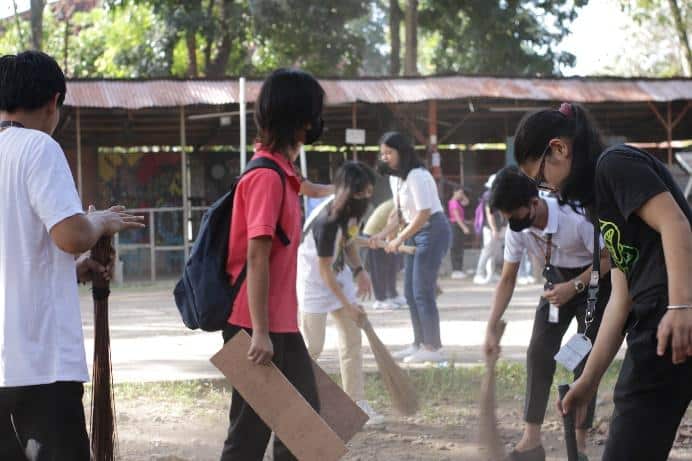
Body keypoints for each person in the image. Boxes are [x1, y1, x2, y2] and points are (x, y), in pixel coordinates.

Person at [514, 102, 692, 461]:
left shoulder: (615, 164)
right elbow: (620, 297)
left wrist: (681, 306)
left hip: (668, 316)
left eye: (541, 179)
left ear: (559, 149)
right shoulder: (599, 201)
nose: (546, 189)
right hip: (655, 317)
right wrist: (588, 380)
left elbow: (675, 224)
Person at [0, 51, 144, 461]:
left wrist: (75, 271)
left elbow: (16, 250)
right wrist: (98, 222)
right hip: (39, 365)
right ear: (53, 102)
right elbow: (71, 234)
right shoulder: (38, 148)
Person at [221, 68, 325, 460]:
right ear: (299, 119)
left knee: (304, 425)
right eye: (313, 114)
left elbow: (309, 188)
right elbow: (256, 255)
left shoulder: (284, 173)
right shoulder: (265, 176)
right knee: (249, 434)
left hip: (279, 323)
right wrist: (260, 333)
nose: (317, 123)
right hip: (255, 325)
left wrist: (347, 190)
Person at [484, 166, 612, 461]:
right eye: (507, 217)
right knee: (538, 352)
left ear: (534, 203)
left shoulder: (574, 217)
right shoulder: (519, 228)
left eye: (515, 214)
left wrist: (575, 286)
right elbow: (507, 279)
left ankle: (579, 446)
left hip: (592, 280)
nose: (513, 223)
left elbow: (607, 260)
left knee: (584, 358)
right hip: (555, 283)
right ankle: (531, 441)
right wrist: (492, 326)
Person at [297, 161, 384, 426]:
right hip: (314, 279)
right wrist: (347, 304)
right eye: (365, 191)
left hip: (340, 274)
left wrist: (360, 271)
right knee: (312, 345)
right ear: (351, 190)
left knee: (351, 341)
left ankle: (355, 405)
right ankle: (293, 395)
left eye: (370, 190)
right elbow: (323, 270)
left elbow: (349, 243)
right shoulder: (328, 220)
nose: (369, 196)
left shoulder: (354, 211)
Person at [371, 132, 451, 363]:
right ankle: (419, 343)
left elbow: (424, 213)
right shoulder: (395, 178)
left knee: (422, 291)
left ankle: (433, 347)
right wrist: (383, 235)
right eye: (382, 153)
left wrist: (398, 240)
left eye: (389, 153)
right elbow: (398, 216)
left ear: (402, 152)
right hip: (414, 232)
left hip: (432, 231)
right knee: (409, 292)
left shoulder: (417, 175)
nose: (384, 157)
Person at [363, 199, 406, 309]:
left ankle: (392, 294)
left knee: (392, 266)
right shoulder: (401, 202)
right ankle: (380, 299)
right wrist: (389, 241)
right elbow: (393, 221)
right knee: (380, 268)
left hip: (384, 232)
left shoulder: (405, 200)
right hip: (375, 233)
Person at [474, 174, 506, 284]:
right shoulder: (489, 195)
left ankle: (491, 274)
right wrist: (494, 229)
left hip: (499, 227)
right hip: (491, 228)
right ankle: (479, 273)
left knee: (495, 252)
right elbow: (489, 214)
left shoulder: (499, 195)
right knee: (487, 251)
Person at [448, 187, 471, 279]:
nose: (461, 195)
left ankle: (459, 269)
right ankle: (456, 270)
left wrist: (463, 195)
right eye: (460, 193)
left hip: (459, 225)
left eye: (462, 193)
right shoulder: (453, 202)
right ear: (454, 192)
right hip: (455, 226)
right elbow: (456, 217)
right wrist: (464, 227)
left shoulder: (458, 202)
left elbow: (466, 202)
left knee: (460, 247)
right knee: (455, 247)